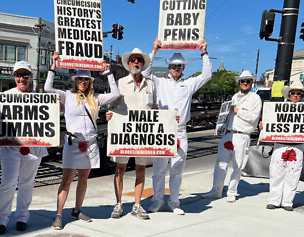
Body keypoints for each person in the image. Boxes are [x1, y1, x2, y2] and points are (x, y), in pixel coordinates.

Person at [45, 52, 119, 230]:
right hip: (73, 143)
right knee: (67, 179)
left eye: (86, 80)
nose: (83, 82)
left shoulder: (95, 98)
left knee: (84, 177)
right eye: (80, 79)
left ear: (90, 82)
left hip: (90, 143)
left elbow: (115, 94)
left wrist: (108, 72)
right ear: (75, 80)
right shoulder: (66, 96)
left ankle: (77, 209)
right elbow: (48, 88)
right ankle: (59, 214)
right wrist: (53, 65)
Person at [145, 39, 212, 215]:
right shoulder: (161, 82)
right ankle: (157, 201)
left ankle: (174, 202)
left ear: (183, 67)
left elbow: (206, 75)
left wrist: (204, 53)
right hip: (162, 129)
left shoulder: (189, 84)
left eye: (179, 66)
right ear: (168, 67)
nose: (176, 68)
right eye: (173, 66)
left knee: (177, 168)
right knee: (159, 169)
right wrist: (154, 51)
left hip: (180, 130)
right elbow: (145, 71)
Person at [0, 61, 48, 234]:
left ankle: (22, 217)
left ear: (31, 77)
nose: (22, 78)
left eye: (25, 75)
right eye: (18, 75)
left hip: (33, 149)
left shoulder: (40, 98)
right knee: (7, 183)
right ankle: (1, 220)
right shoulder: (5, 96)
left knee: (27, 184)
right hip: (10, 149)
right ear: (14, 77)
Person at [261, 81, 304, 211]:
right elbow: (268, 123)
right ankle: (274, 200)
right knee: (277, 173)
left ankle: (287, 201)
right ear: (288, 94)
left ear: (303, 96)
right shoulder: (277, 109)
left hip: (297, 146)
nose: (296, 96)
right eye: (293, 93)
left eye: (299, 94)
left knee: (293, 174)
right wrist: (262, 125)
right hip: (280, 145)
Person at [107, 48, 157, 220]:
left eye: (139, 60)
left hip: (143, 134)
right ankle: (119, 204)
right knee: (120, 169)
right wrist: (109, 114)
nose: (136, 62)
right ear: (128, 64)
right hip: (124, 133)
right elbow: (112, 105)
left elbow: (155, 109)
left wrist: (168, 118)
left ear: (143, 64)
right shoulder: (120, 83)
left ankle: (137, 205)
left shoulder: (150, 84)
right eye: (133, 60)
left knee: (140, 169)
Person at [202, 70, 262, 202]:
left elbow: (254, 118)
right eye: (242, 81)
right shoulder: (234, 96)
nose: (245, 83)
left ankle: (232, 191)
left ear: (251, 83)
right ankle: (216, 189)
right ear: (239, 83)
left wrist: (238, 111)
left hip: (242, 135)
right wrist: (221, 128)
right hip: (228, 134)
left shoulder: (255, 98)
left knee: (238, 165)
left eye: (247, 81)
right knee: (220, 163)